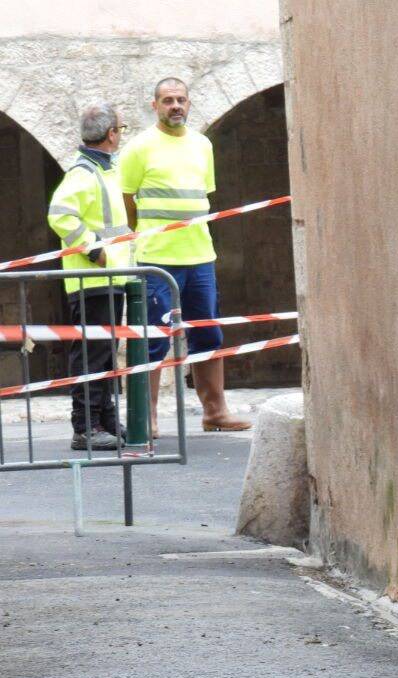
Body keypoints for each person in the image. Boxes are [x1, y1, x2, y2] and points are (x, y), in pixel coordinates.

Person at [119, 76, 251, 432]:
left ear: (189, 103)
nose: (175, 105)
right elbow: (126, 200)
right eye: (167, 100)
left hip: (200, 256)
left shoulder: (202, 145)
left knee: (208, 334)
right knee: (152, 339)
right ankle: (144, 420)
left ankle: (214, 413)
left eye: (181, 99)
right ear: (155, 106)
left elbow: (203, 195)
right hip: (158, 258)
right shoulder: (139, 147)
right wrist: (143, 233)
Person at [46, 103, 135, 451]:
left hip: (110, 278)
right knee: (92, 355)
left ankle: (105, 418)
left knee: (106, 353)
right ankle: (86, 426)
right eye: (121, 129)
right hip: (92, 279)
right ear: (112, 134)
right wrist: (93, 249)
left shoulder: (105, 171)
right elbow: (60, 215)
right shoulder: (84, 173)